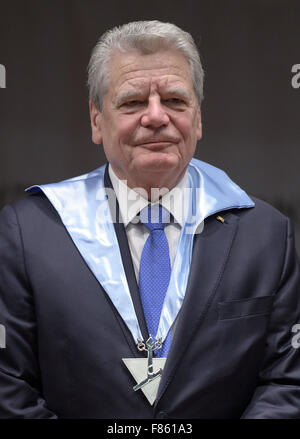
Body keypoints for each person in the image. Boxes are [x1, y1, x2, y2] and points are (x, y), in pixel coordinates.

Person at [0, 20, 300, 419]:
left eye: (175, 101)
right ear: (96, 120)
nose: (156, 117)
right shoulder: (28, 232)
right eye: (133, 102)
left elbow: (286, 382)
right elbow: (9, 386)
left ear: (197, 118)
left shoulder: (266, 235)